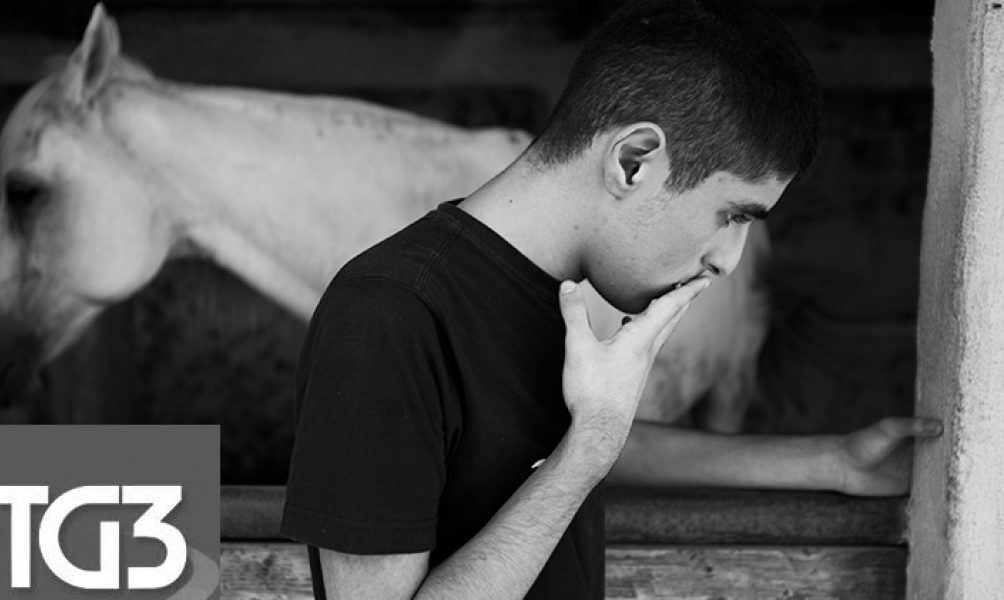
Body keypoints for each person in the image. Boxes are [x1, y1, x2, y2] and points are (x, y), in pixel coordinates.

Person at [279, 1, 942, 598]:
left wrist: (831, 463)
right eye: (732, 215)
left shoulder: (557, 291)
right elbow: (585, 443)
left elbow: (552, 439)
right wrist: (587, 449)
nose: (727, 259)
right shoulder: (388, 314)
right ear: (633, 161)